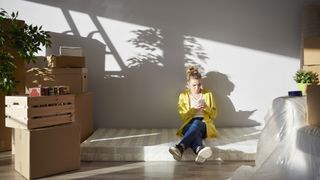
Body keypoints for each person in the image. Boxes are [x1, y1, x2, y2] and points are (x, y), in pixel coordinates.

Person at [169, 66, 218, 164]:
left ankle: (180, 147)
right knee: (195, 128)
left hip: (204, 124)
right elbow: (183, 117)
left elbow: (214, 115)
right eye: (194, 85)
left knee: (197, 123)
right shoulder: (183, 96)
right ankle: (199, 149)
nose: (197, 88)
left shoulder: (208, 94)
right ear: (188, 85)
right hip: (188, 124)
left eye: (199, 85)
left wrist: (206, 108)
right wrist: (194, 109)